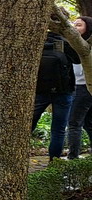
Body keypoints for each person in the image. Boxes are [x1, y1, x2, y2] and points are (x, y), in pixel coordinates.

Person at [34, 29, 78, 161]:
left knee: (28, 124)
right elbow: (77, 60)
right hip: (63, 92)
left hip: (39, 91)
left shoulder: (35, 39)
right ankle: (54, 162)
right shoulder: (65, 43)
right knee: (58, 130)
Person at [67, 16, 92, 158]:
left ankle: (73, 158)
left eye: (79, 25)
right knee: (89, 123)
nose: (75, 28)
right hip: (81, 87)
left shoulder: (85, 47)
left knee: (74, 124)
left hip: (83, 88)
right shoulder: (73, 45)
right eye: (73, 24)